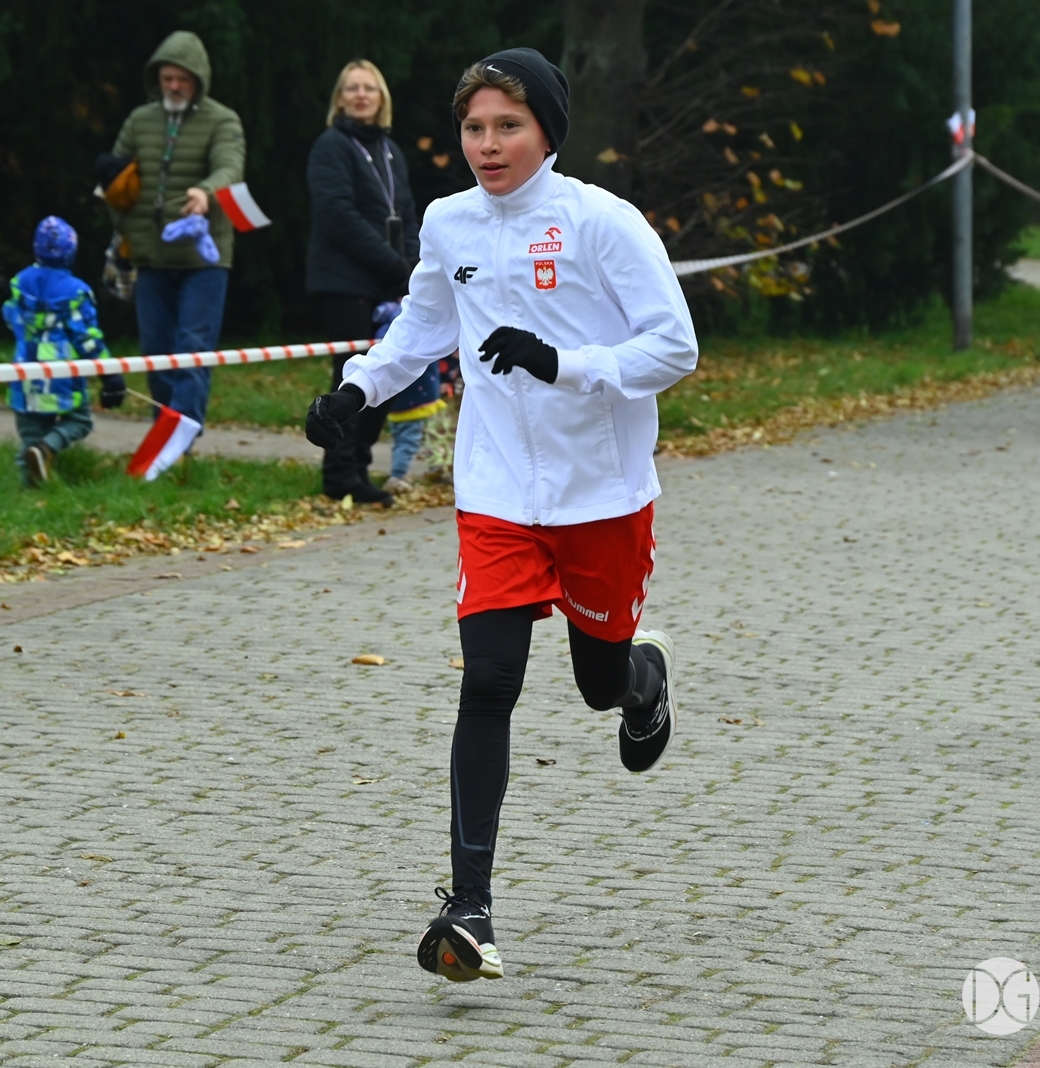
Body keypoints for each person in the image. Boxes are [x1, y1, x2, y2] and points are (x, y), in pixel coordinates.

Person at [304, 48, 698, 983]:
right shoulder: (449, 222)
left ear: (547, 132)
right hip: (497, 495)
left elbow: (674, 347)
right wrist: (358, 390)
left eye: (507, 126)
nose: (487, 144)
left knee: (597, 682)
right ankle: (469, 908)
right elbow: (420, 329)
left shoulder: (602, 222)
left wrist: (567, 364)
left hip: (600, 495)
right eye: (474, 128)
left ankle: (642, 680)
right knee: (487, 682)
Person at [110, 30, 245, 429]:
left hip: (204, 260)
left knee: (192, 349)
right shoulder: (139, 120)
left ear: (198, 80)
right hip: (150, 256)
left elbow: (230, 167)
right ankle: (163, 432)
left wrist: (205, 192)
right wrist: (109, 181)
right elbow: (116, 169)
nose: (173, 86)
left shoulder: (223, 120)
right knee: (156, 353)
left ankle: (179, 438)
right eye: (167, 77)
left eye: (182, 79)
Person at [306, 59, 420, 506]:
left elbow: (406, 212)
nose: (361, 95)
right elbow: (339, 217)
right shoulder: (331, 146)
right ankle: (339, 473)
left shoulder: (391, 151)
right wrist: (396, 265)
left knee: (385, 375)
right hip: (346, 280)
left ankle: (359, 465)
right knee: (350, 376)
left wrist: (414, 265)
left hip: (390, 280)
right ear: (339, 98)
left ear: (381, 97)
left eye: (369, 88)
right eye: (352, 88)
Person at [2, 217, 125, 487]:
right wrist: (109, 373)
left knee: (30, 434)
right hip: (62, 376)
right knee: (80, 421)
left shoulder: (19, 283)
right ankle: (47, 447)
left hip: (25, 373)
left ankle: (29, 490)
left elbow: (10, 316)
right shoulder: (76, 292)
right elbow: (87, 338)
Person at [373, 301, 446, 494]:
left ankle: (437, 466)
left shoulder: (387, 330)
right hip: (415, 399)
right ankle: (397, 477)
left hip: (402, 399)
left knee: (424, 435)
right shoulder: (415, 327)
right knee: (409, 439)